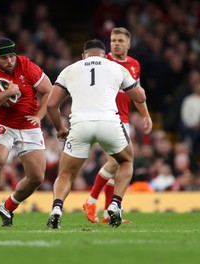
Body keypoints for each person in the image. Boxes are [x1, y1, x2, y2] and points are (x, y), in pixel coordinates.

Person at [46, 39, 147, 229]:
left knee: (66, 173)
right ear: (104, 54)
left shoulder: (70, 69)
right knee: (126, 161)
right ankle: (115, 205)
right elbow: (140, 97)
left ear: (84, 55)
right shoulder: (116, 67)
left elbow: (51, 104)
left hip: (80, 124)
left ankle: (57, 208)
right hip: (109, 122)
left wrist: (60, 128)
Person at [0, 37, 52, 227]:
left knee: (37, 177)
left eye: (12, 56)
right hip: (3, 123)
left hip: (28, 124)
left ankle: (8, 207)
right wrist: (8, 93)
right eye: (4, 58)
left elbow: (49, 90)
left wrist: (39, 116)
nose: (10, 61)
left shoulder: (26, 65)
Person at [83, 27, 153, 224]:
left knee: (116, 165)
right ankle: (92, 200)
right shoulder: (102, 62)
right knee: (117, 162)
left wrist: (146, 114)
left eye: (120, 40)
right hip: (106, 117)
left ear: (129, 44)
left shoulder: (134, 65)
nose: (115, 43)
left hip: (124, 119)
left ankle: (106, 213)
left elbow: (136, 94)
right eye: (113, 40)